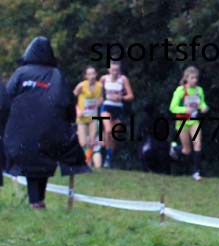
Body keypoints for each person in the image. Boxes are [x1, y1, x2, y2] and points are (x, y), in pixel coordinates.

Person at [4, 36, 90, 208]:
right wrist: (69, 125)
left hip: (22, 133)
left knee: (30, 160)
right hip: (50, 133)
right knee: (41, 163)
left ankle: (36, 201)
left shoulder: (21, 73)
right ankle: (37, 200)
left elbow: (6, 98)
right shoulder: (57, 75)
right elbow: (68, 104)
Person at [169, 66, 209, 181]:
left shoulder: (199, 90)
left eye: (196, 78)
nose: (195, 80)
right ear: (186, 78)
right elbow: (172, 107)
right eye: (192, 78)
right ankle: (175, 148)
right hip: (182, 122)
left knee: (197, 144)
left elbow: (201, 103)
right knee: (186, 150)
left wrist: (204, 107)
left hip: (194, 121)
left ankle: (196, 172)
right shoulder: (180, 90)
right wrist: (184, 110)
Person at [99, 61, 134, 168]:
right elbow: (99, 94)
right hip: (106, 107)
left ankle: (108, 157)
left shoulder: (123, 79)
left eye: (117, 70)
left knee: (114, 134)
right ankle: (104, 151)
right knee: (108, 130)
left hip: (118, 108)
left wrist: (121, 98)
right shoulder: (104, 78)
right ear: (109, 70)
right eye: (113, 70)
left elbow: (131, 96)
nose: (115, 72)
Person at [73, 66, 103, 167]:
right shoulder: (81, 86)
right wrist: (77, 110)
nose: (91, 76)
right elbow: (72, 98)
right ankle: (84, 162)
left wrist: (98, 102)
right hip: (82, 118)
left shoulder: (99, 86)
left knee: (92, 141)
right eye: (89, 74)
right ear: (86, 76)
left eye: (93, 73)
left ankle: (88, 164)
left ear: (96, 74)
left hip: (93, 117)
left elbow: (101, 98)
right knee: (83, 142)